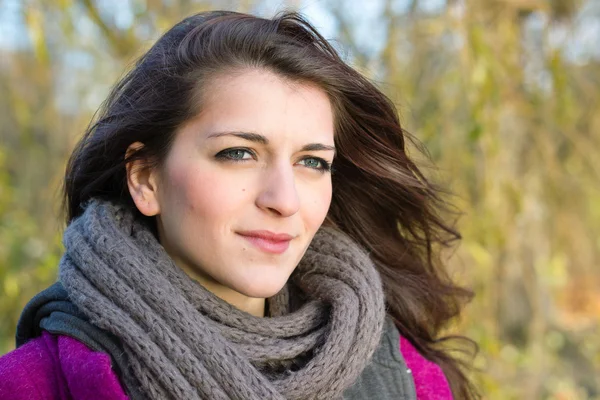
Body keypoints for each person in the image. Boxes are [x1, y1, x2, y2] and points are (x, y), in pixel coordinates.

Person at [0, 10, 478, 400]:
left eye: (312, 162)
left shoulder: (407, 374)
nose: (284, 200)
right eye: (239, 154)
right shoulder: (31, 384)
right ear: (146, 179)